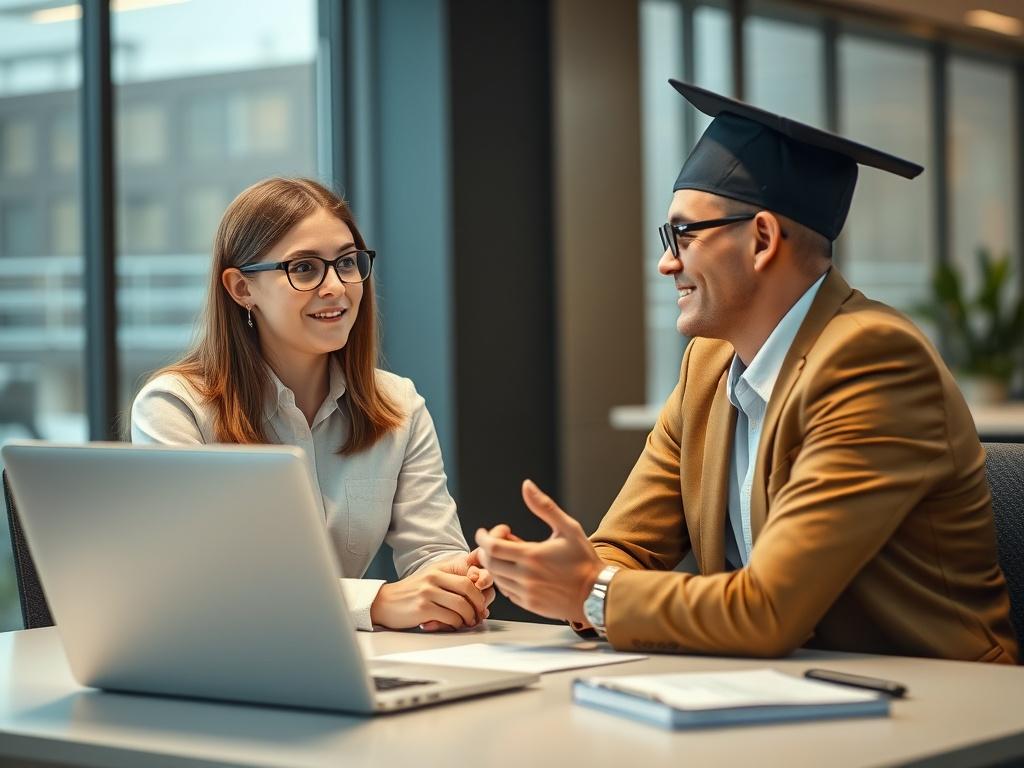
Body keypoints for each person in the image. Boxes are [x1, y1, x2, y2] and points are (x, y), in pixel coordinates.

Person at [475, 82, 1018, 663]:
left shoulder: (874, 359)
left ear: (761, 239)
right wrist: (553, 574)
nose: (667, 262)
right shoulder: (708, 365)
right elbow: (625, 549)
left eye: (683, 233)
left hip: (936, 706)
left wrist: (590, 592)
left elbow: (768, 611)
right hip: (784, 693)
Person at [132, 177, 493, 633]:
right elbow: (207, 582)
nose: (336, 287)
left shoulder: (398, 404)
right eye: (304, 269)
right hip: (219, 662)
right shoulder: (174, 408)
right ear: (242, 288)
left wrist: (461, 581)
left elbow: (432, 553)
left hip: (350, 662)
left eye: (346, 263)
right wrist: (375, 602)